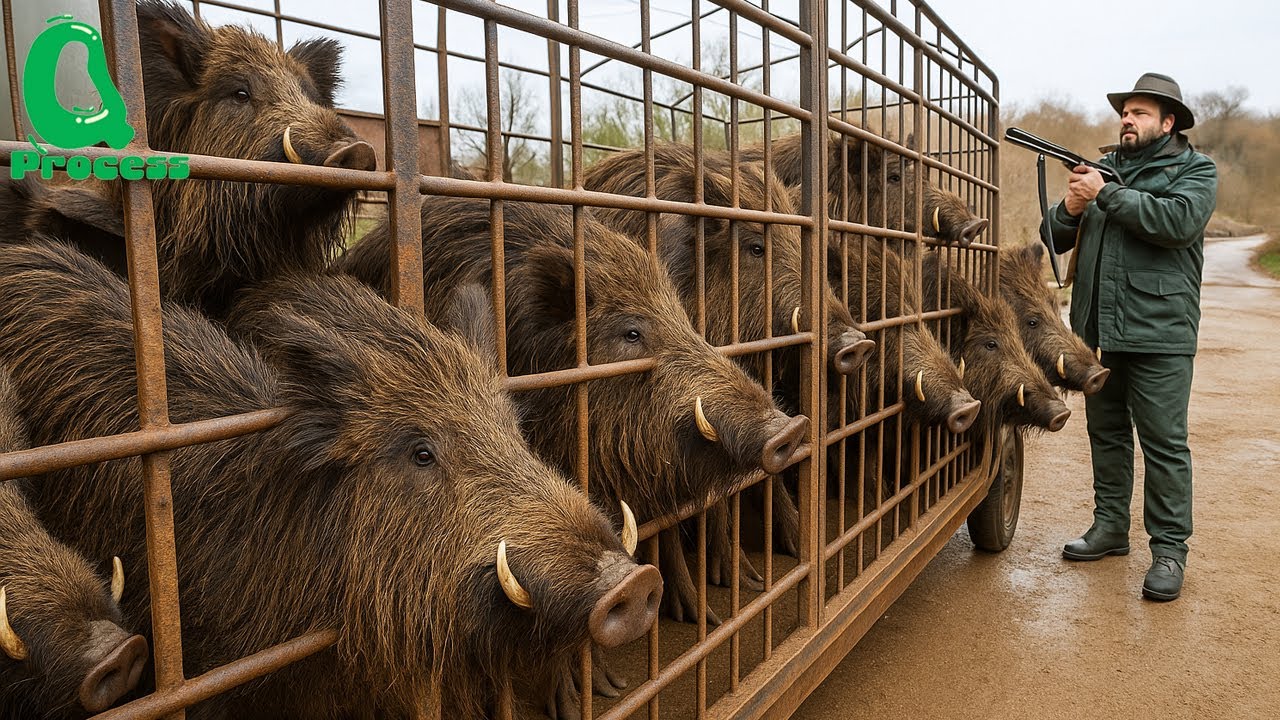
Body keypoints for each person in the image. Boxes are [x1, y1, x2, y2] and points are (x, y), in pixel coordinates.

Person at [1047, 72, 1218, 601]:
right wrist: (1073, 208)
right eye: (1125, 110)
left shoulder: (1196, 170)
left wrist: (1107, 194)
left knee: (1165, 444)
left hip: (1160, 334)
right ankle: (1110, 528)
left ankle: (1169, 550)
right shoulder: (1106, 172)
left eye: (1141, 112)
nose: (1128, 118)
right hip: (1098, 331)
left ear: (1168, 123)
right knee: (1108, 434)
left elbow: (1178, 223)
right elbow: (1053, 236)